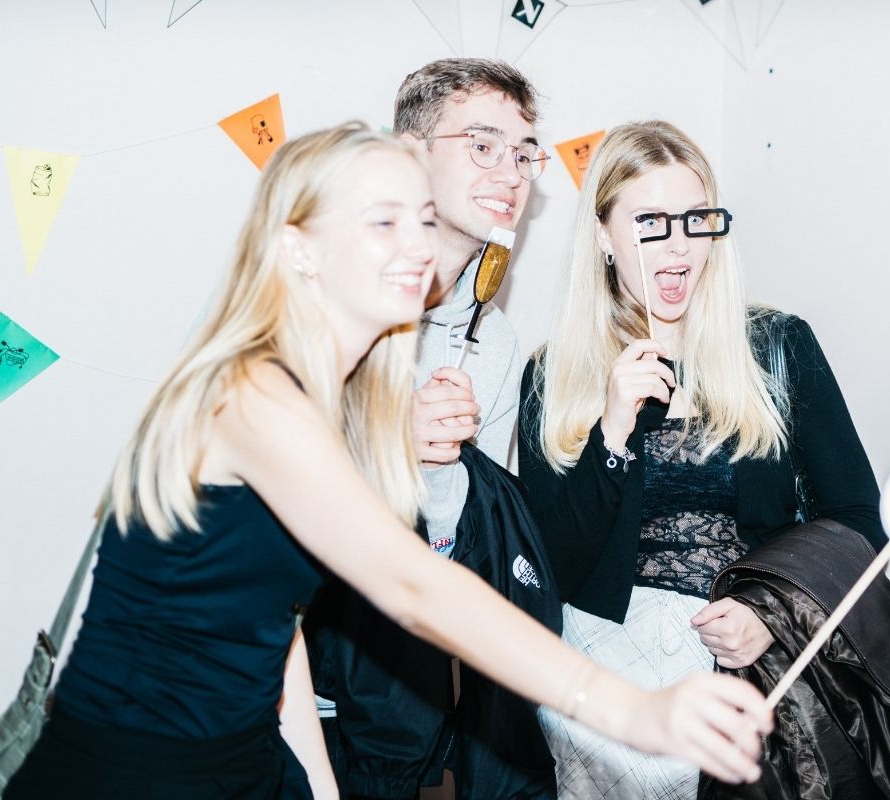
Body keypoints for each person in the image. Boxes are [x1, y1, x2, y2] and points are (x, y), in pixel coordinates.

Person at [3, 122, 772, 800]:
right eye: (383, 222)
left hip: (244, 763)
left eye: (424, 218)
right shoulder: (250, 391)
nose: (419, 245)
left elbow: (275, 624)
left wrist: (317, 787)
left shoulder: (334, 396)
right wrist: (634, 711)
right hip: (131, 768)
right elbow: (411, 586)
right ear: (297, 250)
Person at [518, 120, 886, 799]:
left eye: (695, 219)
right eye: (650, 222)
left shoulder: (777, 347)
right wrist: (612, 434)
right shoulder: (554, 373)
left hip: (752, 665)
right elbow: (550, 569)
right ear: (603, 236)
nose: (678, 244)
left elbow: (858, 519)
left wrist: (770, 613)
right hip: (608, 675)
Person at [302, 60, 558, 799]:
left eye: (524, 153)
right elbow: (233, 481)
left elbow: (463, 545)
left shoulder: (496, 340)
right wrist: (386, 443)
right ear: (411, 153)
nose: (510, 172)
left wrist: (441, 473)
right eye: (482, 145)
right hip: (270, 669)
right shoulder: (321, 293)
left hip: (397, 704)